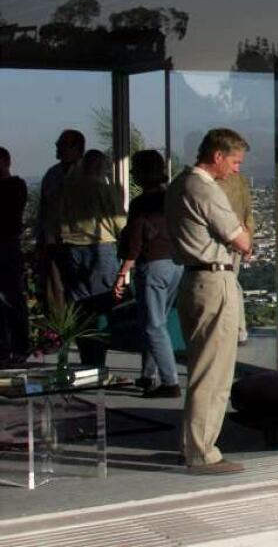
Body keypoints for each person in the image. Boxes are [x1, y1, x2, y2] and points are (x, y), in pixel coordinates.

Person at [165, 128, 252, 475]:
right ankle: (202, 451)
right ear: (217, 156)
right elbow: (241, 239)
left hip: (193, 279)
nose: (235, 170)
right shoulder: (204, 188)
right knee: (213, 372)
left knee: (204, 366)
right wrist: (241, 238)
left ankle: (192, 444)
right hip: (214, 279)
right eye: (234, 162)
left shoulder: (178, 184)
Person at [115, 150, 183, 398]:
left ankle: (169, 381)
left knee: (153, 325)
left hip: (152, 264)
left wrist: (123, 271)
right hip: (175, 263)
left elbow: (135, 241)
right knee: (156, 321)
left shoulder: (141, 204)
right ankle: (148, 374)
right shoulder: (172, 199)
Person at [57, 149, 126, 368]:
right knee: (103, 304)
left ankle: (87, 356)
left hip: (72, 247)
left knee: (80, 307)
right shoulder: (105, 190)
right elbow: (118, 221)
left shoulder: (68, 190)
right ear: (101, 167)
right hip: (101, 247)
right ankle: (99, 358)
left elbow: (58, 217)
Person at [35, 129, 85, 315]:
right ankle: (58, 334)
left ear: (76, 148)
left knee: (81, 292)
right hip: (54, 242)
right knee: (55, 292)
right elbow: (44, 208)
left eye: (62, 144)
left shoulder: (87, 173)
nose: (57, 148)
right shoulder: (52, 174)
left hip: (81, 243)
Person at [215, 170, 254, 345]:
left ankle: (236, 330)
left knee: (227, 284)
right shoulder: (241, 179)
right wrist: (248, 240)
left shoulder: (214, 181)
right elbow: (248, 212)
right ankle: (239, 330)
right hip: (238, 239)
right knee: (232, 283)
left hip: (221, 241)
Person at [0, 147, 29, 365]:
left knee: (12, 298)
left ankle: (17, 346)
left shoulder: (15, 186)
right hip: (9, 244)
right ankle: (8, 345)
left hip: (8, 244)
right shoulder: (16, 186)